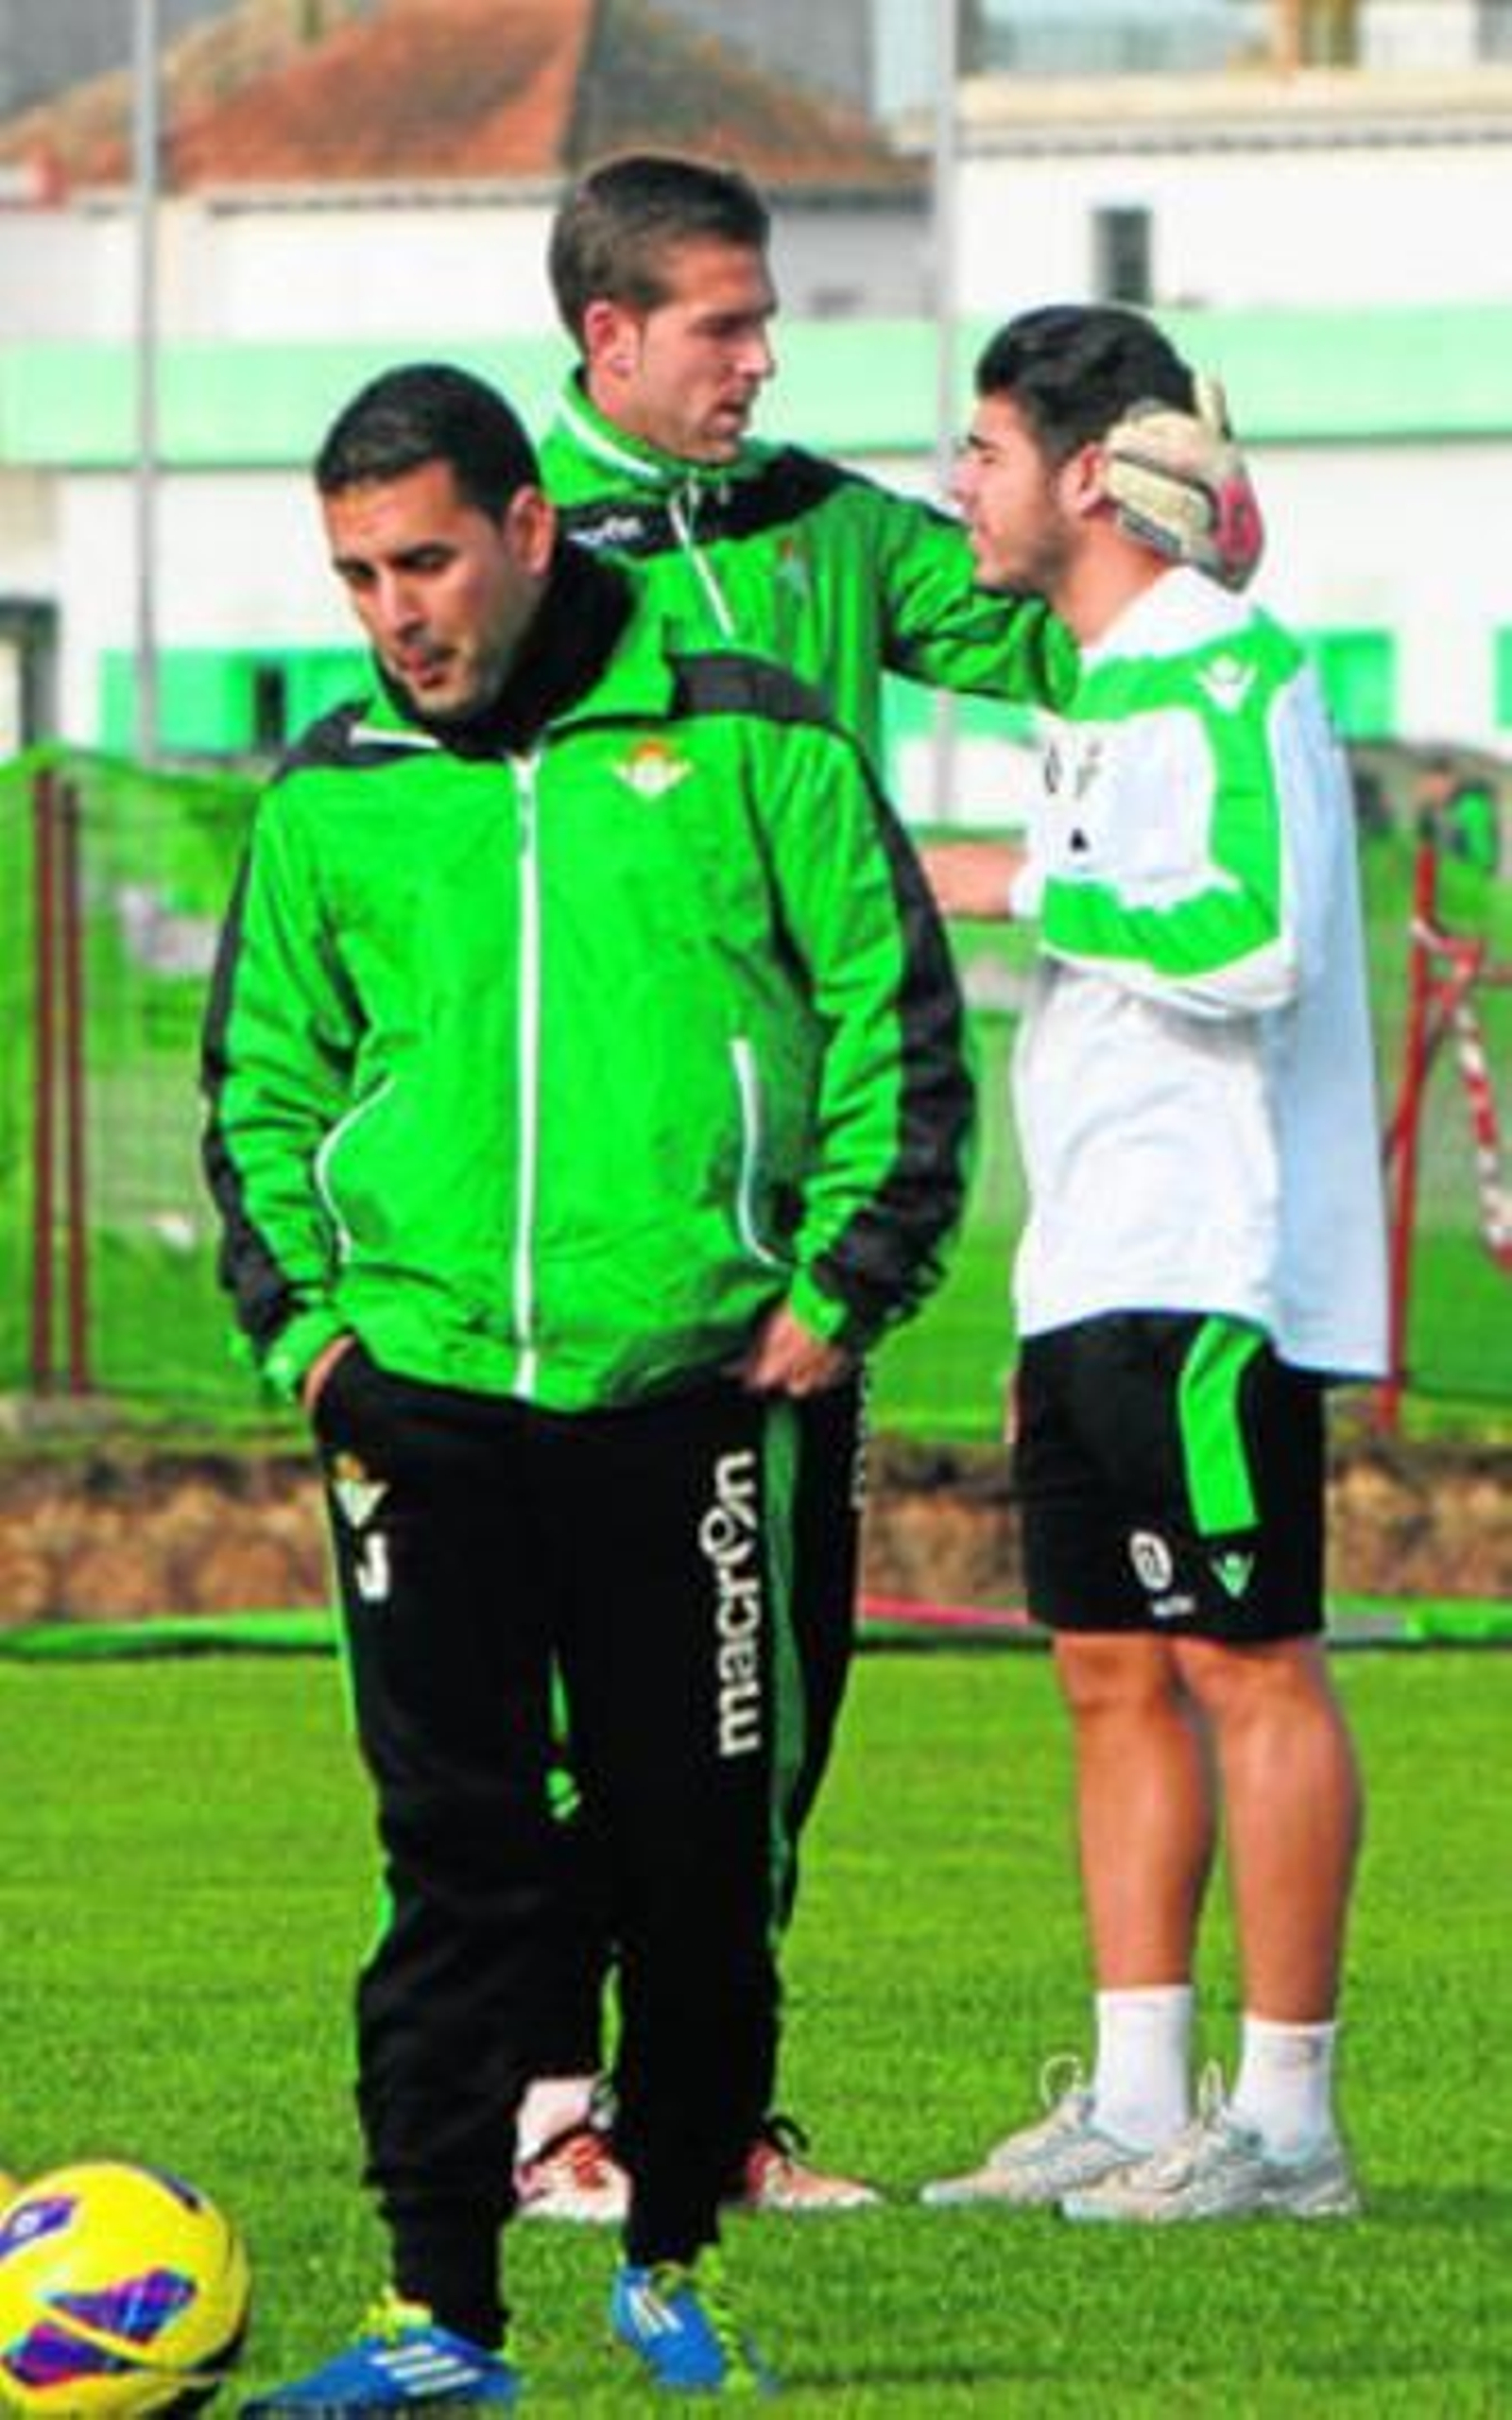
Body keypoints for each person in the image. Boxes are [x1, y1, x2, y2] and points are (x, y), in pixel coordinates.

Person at [200, 361, 971, 2401]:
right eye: (359, 573)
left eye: (427, 559)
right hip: (425, 1402)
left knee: (694, 1864)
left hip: (693, 1398)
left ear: (529, 529)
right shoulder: (332, 787)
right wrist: (319, 1347)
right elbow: (258, 1092)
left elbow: (898, 1012)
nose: (395, 611)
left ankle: (665, 2249)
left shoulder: (750, 741)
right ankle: (439, 2304)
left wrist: (841, 1287)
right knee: (452, 1861)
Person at [515, 144, 1074, 2224]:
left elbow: (1056, 631)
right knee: (577, 1700)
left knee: (768, 1686)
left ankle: (707, 2108)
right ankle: (552, 2103)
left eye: (767, 323)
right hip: (580, 1238)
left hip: (808, 1232)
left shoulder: (836, 531)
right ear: (610, 335)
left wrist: (1143, 507)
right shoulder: (523, 556)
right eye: (724, 327)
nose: (762, 361)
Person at [918, 304, 1388, 2223]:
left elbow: (1249, 934)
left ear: (1083, 470)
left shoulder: (1228, 668)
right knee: (1106, 1667)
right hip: (1094, 1264)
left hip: (1216, 1268)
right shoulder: (1094, 688)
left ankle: (1283, 2124)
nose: (959, 485)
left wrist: (1003, 880)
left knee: (1245, 1658)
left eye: (982, 450)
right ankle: (1131, 2096)